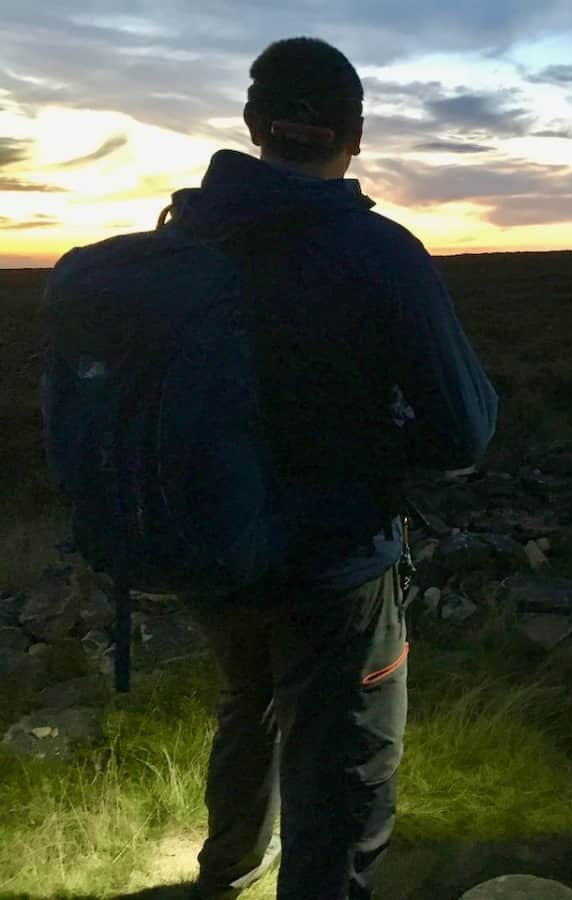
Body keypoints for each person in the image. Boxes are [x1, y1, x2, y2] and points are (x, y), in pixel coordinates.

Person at [154, 38, 497, 900]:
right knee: (342, 754)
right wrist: (376, 442)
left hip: (213, 549)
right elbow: (463, 432)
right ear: (357, 135)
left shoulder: (180, 242)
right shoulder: (379, 253)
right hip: (337, 560)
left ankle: (228, 868)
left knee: (250, 702)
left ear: (250, 126)